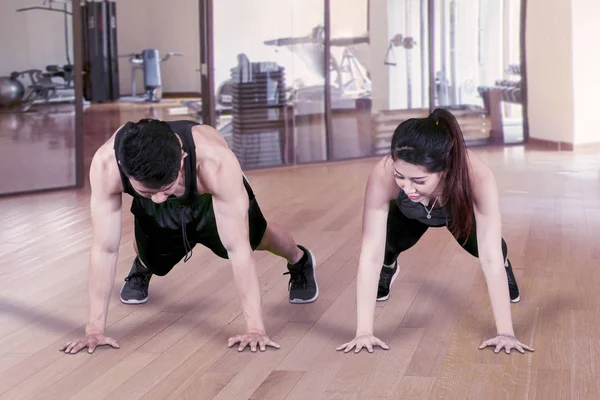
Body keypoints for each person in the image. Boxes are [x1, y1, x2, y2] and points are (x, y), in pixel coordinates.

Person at [60, 119, 318, 355]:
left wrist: (255, 329)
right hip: (160, 193)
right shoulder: (106, 165)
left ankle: (299, 260)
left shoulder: (216, 163)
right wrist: (94, 330)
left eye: (165, 189)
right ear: (124, 171)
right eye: (149, 192)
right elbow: (105, 248)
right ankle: (144, 264)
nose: (160, 199)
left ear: (182, 158)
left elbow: (237, 249)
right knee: (153, 258)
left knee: (257, 239)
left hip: (207, 196)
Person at [337, 109, 534, 355]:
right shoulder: (384, 172)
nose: (407, 187)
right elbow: (370, 252)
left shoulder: (477, 175)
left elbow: (489, 255)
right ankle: (390, 267)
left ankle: (508, 269)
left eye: (418, 180)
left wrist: (505, 332)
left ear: (445, 170)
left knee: (490, 248)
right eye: (401, 177)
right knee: (385, 246)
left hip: (456, 211)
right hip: (410, 214)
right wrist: (364, 332)